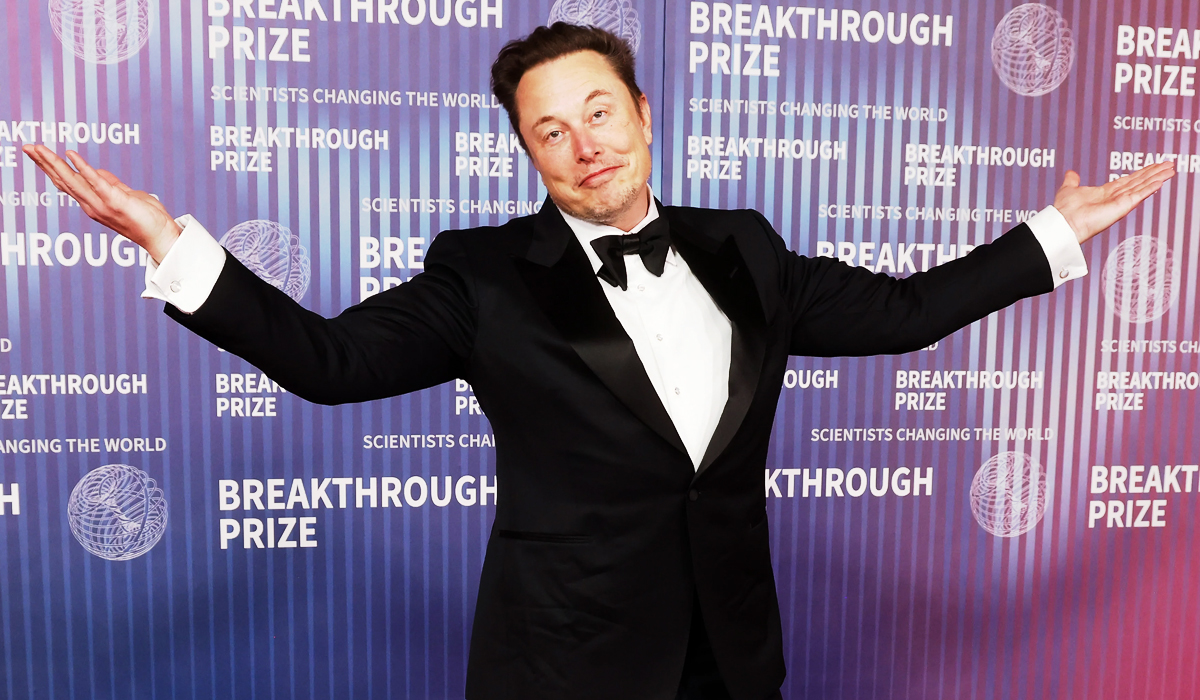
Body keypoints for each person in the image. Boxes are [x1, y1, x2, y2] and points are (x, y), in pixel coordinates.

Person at [24, 22, 1174, 700]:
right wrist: (173, 245)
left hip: (733, 654)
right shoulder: (482, 275)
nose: (585, 146)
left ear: (643, 112)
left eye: (600, 112)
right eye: (551, 130)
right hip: (567, 665)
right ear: (527, 152)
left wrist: (1050, 234)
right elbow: (329, 360)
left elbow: (907, 312)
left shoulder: (745, 247)